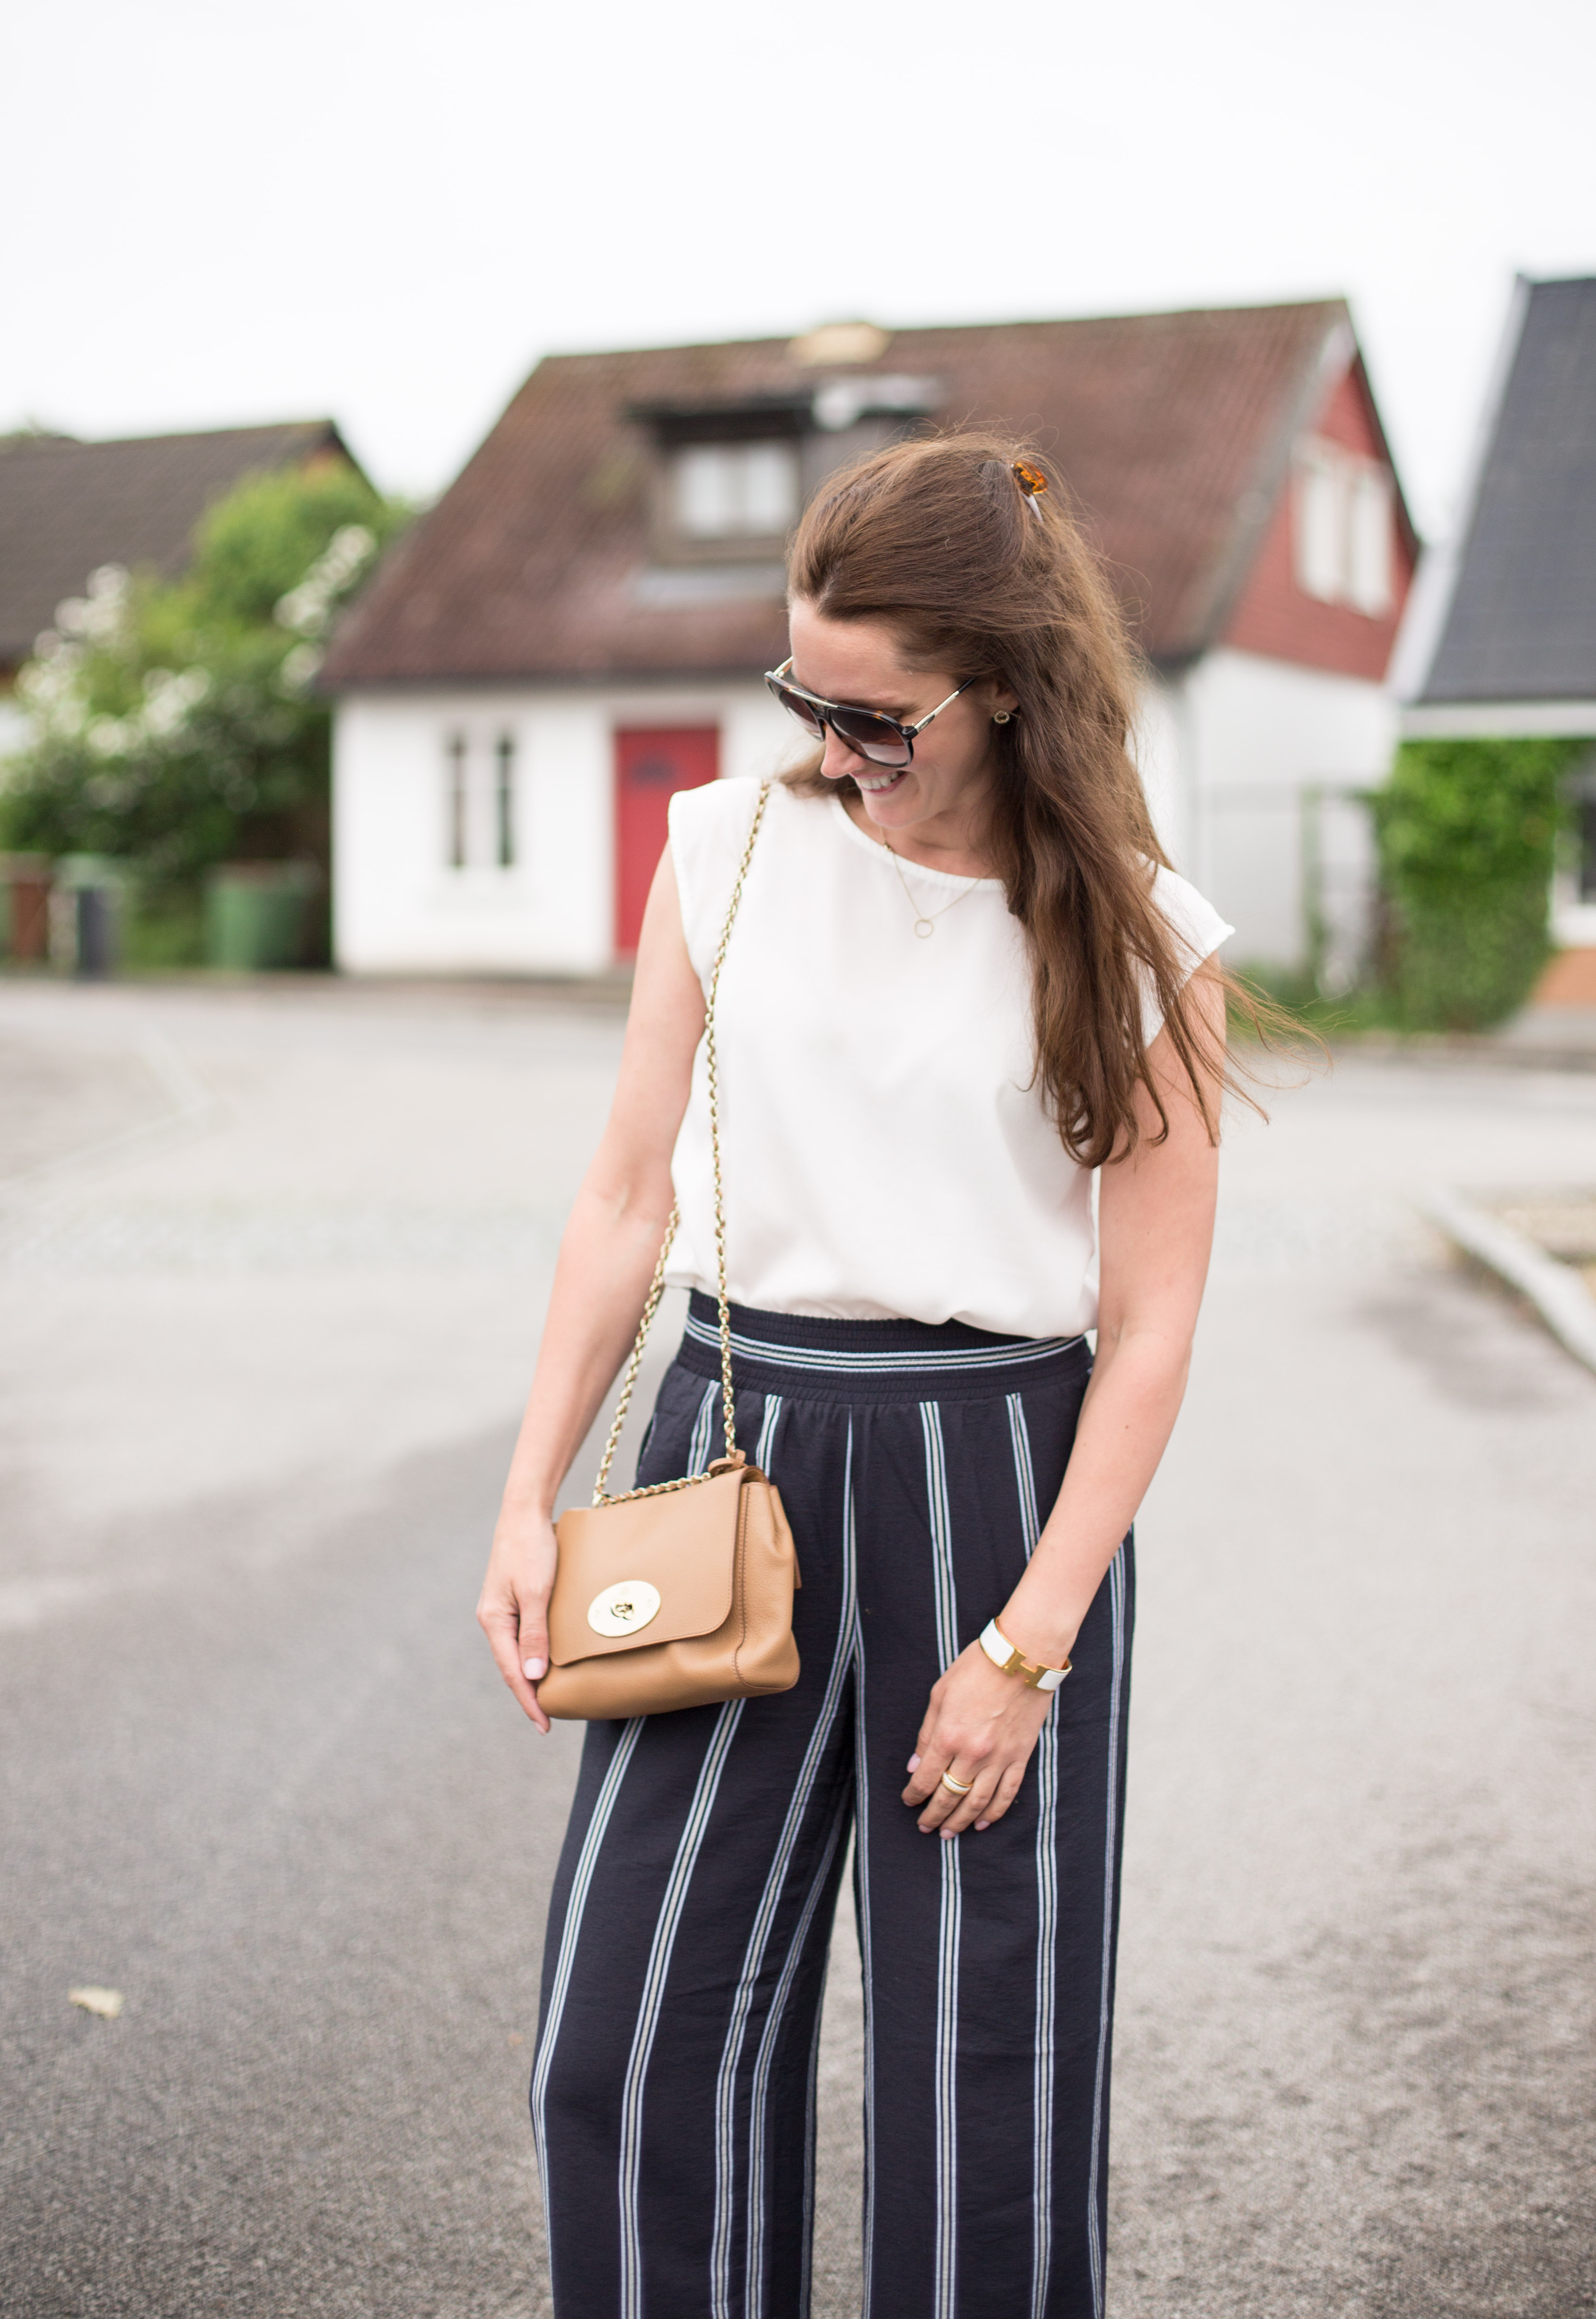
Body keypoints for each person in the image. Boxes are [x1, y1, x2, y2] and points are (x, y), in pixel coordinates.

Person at [478, 433, 1239, 2319]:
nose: (836, 744)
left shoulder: (1137, 933)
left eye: (882, 716)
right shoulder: (725, 850)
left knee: (987, 2092)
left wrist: (1030, 1644)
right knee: (626, 2044)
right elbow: (624, 1192)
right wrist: (527, 1497)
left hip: (997, 1489)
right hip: (728, 1454)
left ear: (1001, 684)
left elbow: (1148, 1325)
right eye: (804, 694)